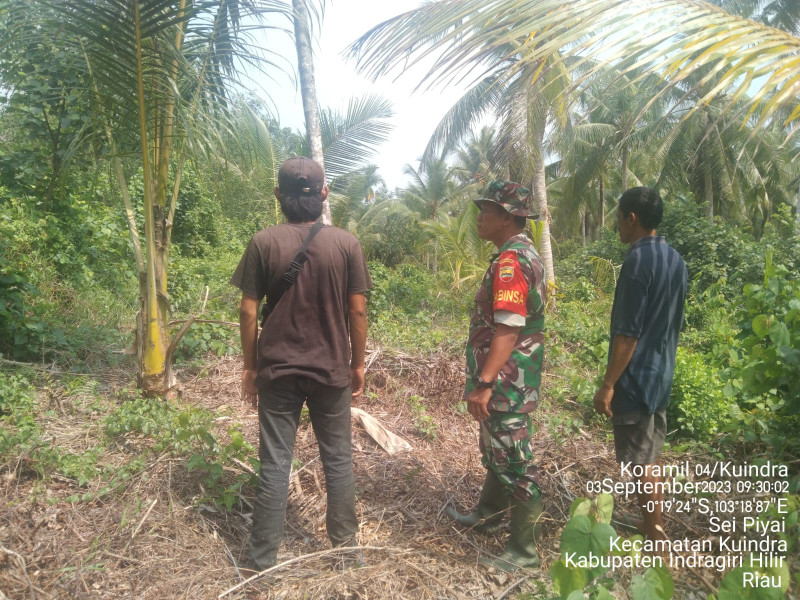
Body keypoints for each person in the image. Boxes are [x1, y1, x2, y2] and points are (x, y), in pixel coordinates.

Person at [230, 156, 371, 571]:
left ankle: (261, 563)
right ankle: (346, 551)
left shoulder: (263, 242)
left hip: (277, 370)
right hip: (330, 371)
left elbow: (248, 312)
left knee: (275, 461)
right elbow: (358, 312)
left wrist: (249, 367)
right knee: (338, 459)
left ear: (278, 196)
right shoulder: (346, 243)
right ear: (324, 194)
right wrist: (357, 364)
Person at [446, 180, 547, 572]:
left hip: (506, 381)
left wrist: (484, 383)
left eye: (487, 210)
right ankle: (487, 516)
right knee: (497, 451)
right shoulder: (519, 254)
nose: (480, 216)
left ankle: (524, 552)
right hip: (510, 379)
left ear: (508, 217)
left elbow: (508, 328)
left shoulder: (511, 262)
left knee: (515, 460)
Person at [593, 187, 687, 545]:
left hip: (637, 379)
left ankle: (654, 535)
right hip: (661, 373)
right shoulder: (674, 258)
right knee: (649, 455)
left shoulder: (636, 261)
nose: (616, 225)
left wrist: (607, 384)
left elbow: (627, 335)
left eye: (618, 217)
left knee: (640, 462)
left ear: (632, 218)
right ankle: (650, 522)